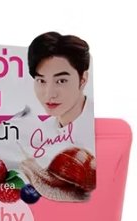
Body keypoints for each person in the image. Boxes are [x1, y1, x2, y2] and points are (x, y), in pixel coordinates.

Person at [27, 32, 94, 160]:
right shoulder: (40, 134)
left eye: (61, 81)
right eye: (41, 80)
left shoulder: (97, 127)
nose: (49, 94)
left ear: (83, 80)